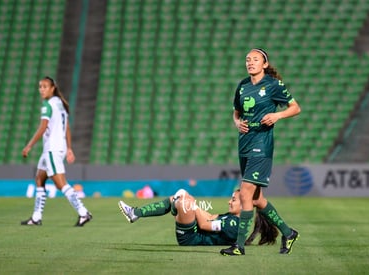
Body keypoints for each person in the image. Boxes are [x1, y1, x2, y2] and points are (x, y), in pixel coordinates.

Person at [220, 48, 301, 256]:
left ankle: (239, 246)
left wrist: (277, 116)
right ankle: (288, 232)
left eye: (255, 59)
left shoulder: (273, 85)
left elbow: (295, 108)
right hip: (244, 143)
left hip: (262, 145)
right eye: (248, 59)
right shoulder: (243, 86)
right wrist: (237, 123)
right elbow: (236, 112)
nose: (250, 62)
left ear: (264, 64)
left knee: (245, 192)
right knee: (256, 199)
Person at [21, 76, 92, 227]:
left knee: (61, 185)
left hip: (52, 150)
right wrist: (69, 148)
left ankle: (83, 212)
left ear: (52, 88)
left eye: (45, 86)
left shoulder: (47, 105)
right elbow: (66, 128)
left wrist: (29, 145)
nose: (42, 89)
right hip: (55, 149)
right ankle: (36, 217)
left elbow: (42, 127)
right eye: (40, 86)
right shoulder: (59, 104)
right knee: (40, 179)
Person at [118, 189, 278, 246]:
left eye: (233, 200)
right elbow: (209, 216)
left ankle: (176, 209)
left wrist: (192, 207)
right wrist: (193, 205)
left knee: (182, 201)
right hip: (195, 231)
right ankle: (135, 213)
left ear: (244, 206)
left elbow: (204, 224)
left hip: (191, 238)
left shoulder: (234, 226)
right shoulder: (231, 218)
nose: (229, 201)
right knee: (181, 197)